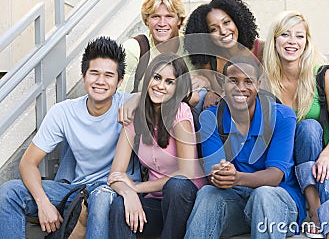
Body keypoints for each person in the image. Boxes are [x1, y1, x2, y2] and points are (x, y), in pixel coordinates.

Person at [0, 37, 141, 238]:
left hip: (114, 191)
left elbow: (168, 92)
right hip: (77, 189)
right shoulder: (63, 112)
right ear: (83, 76)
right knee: (9, 192)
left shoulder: (128, 105)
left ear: (120, 81)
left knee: (100, 200)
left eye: (109, 75)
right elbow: (28, 163)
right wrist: (43, 203)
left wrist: (137, 97)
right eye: (94, 73)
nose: (100, 81)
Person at [184, 56, 306, 239]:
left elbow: (274, 176)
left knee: (264, 195)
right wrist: (220, 174)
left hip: (278, 205)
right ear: (222, 84)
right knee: (208, 193)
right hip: (237, 204)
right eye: (233, 81)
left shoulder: (281, 117)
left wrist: (237, 177)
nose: (241, 88)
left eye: (248, 81)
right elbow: (213, 174)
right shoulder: (211, 118)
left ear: (258, 84)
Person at [264, 11, 329, 238]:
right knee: (305, 131)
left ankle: (326, 223)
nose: (292, 41)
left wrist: (325, 157)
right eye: (285, 34)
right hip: (288, 168)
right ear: (274, 40)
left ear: (307, 42)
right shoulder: (266, 83)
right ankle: (316, 211)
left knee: (311, 132)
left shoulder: (324, 75)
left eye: (299, 36)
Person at [108, 53, 207, 239]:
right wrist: (128, 193)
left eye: (170, 82)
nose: (161, 86)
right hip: (156, 204)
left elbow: (186, 174)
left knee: (177, 185)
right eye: (157, 77)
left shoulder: (180, 112)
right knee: (120, 206)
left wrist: (137, 188)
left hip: (186, 202)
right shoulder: (135, 116)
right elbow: (116, 174)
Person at [119, 0, 209, 106]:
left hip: (185, 114)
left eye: (169, 16)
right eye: (155, 16)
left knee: (202, 95)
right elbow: (120, 98)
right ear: (147, 21)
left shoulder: (191, 44)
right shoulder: (134, 48)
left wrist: (206, 82)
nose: (162, 23)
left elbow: (214, 79)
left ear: (179, 20)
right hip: (143, 113)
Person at [184, 0, 265, 109]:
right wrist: (210, 92)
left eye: (226, 22)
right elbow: (215, 92)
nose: (223, 31)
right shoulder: (209, 61)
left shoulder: (260, 49)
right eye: (214, 29)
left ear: (237, 21)